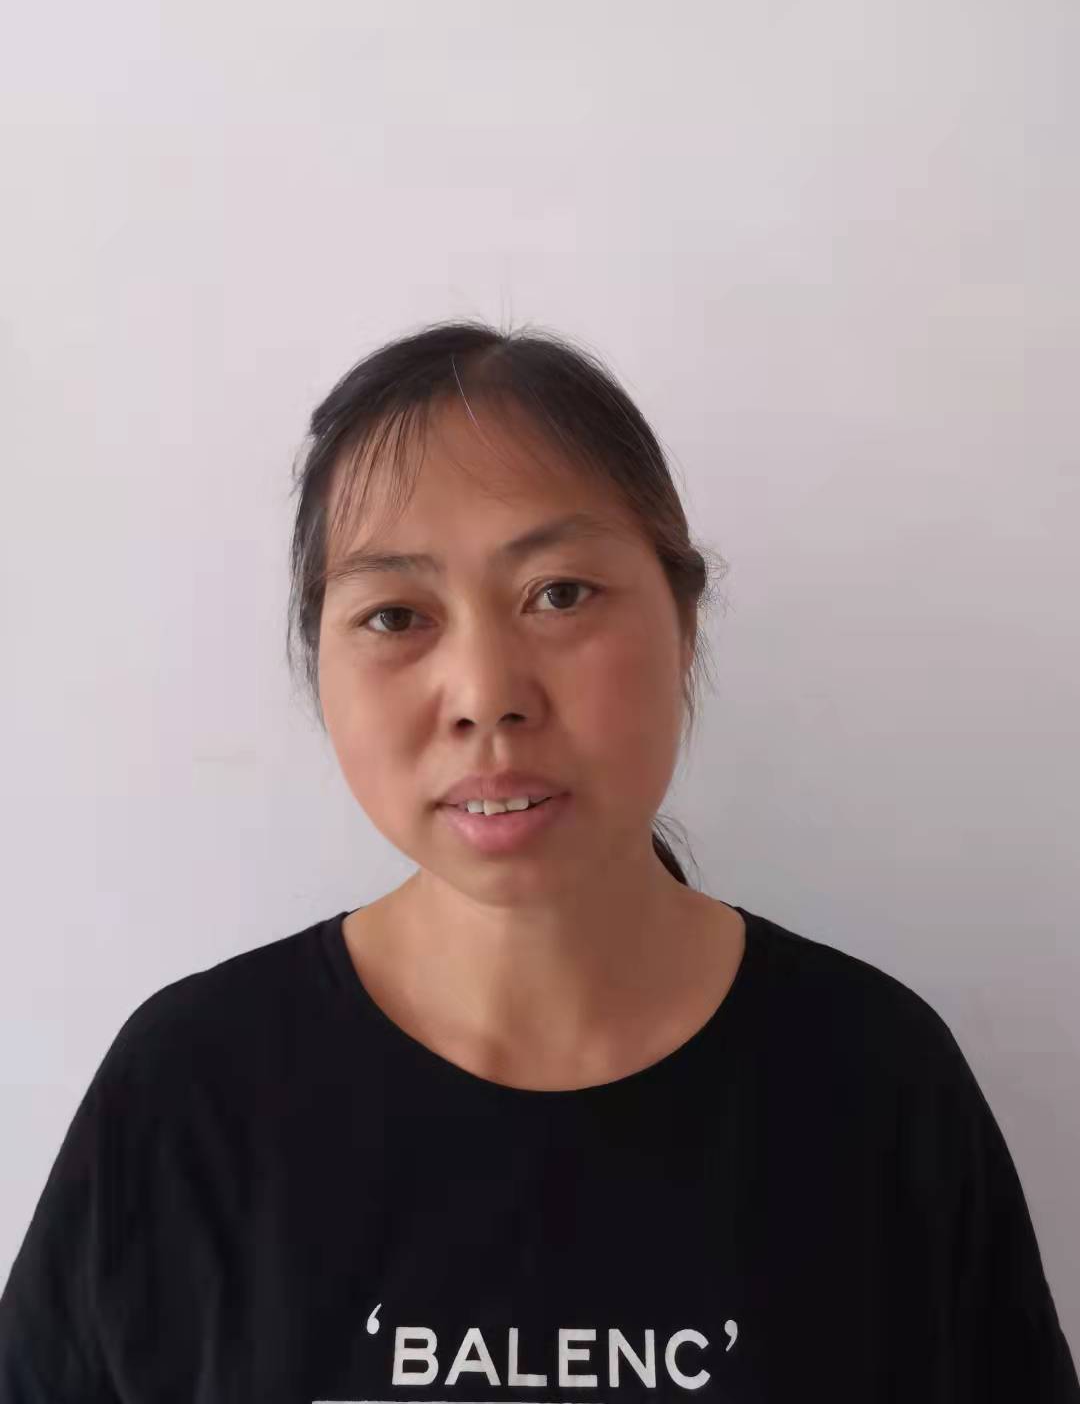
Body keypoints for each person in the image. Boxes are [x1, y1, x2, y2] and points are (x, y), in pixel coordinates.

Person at [0, 321, 1076, 1402]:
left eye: (559, 594)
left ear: (684, 623)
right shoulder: (191, 1097)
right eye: (395, 615)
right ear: (318, 661)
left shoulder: (876, 1085)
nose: (485, 694)